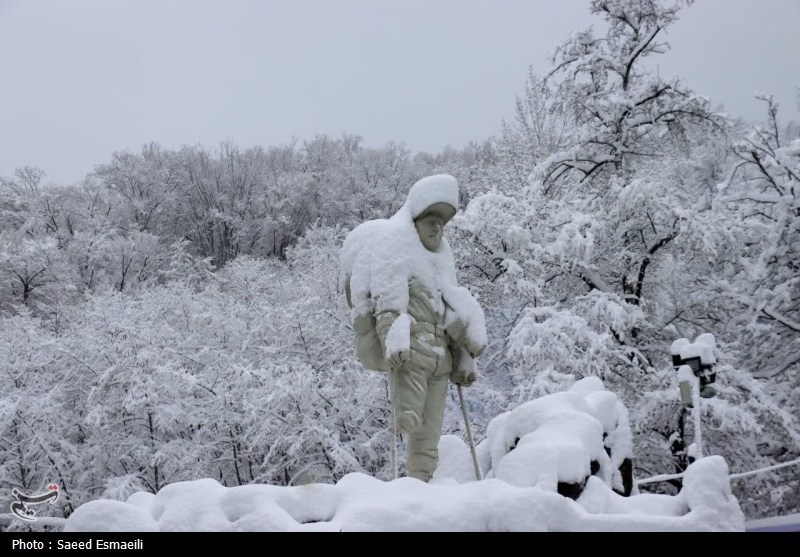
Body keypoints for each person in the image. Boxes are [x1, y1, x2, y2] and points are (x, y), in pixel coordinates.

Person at [341, 174, 487, 482]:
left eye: (441, 223)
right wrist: (393, 340)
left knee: (430, 433)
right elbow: (389, 303)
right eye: (430, 221)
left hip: (441, 362)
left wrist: (464, 357)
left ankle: (422, 483)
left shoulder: (443, 264)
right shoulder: (397, 251)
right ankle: (406, 489)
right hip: (412, 355)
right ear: (415, 223)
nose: (437, 227)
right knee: (408, 416)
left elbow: (454, 313)